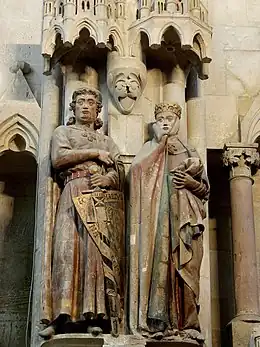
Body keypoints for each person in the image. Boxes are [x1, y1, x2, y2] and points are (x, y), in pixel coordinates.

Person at [39, 87, 125, 338]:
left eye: (91, 102)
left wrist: (109, 179)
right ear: (73, 108)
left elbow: (119, 169)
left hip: (99, 199)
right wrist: (94, 153)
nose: (85, 106)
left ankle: (94, 315)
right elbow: (58, 158)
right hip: (72, 190)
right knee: (66, 251)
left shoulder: (107, 141)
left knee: (94, 257)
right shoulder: (63, 132)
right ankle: (61, 317)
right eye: (80, 102)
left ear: (98, 110)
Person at [128, 102, 209, 342]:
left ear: (178, 121)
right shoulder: (150, 148)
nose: (165, 122)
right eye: (161, 118)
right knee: (160, 267)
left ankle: (189, 323)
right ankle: (160, 322)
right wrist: (159, 145)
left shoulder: (190, 150)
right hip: (160, 218)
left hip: (188, 220)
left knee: (188, 268)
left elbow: (205, 190)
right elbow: (135, 174)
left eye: (170, 118)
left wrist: (189, 183)